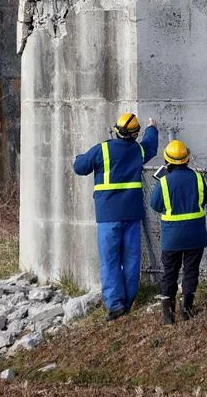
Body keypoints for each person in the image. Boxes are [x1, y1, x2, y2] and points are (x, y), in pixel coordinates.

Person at [73, 113, 158, 321]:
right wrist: (152, 128)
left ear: (116, 130)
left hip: (108, 216)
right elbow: (151, 146)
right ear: (134, 134)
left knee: (110, 260)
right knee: (131, 259)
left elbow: (79, 167)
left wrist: (78, 157)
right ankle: (128, 301)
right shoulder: (138, 150)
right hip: (132, 213)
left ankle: (115, 304)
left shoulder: (102, 149)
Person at [148, 139, 207, 324]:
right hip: (195, 234)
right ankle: (187, 310)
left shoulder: (164, 182)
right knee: (191, 271)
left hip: (172, 237)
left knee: (170, 273)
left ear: (167, 161)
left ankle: (168, 316)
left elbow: (155, 205)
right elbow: (204, 199)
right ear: (187, 159)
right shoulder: (198, 178)